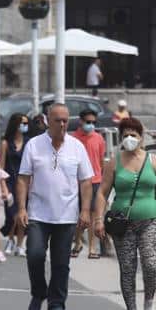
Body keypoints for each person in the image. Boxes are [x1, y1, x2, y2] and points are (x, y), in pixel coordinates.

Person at [15, 103, 94, 310]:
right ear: (47, 120)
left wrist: (85, 210)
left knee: (61, 263)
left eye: (65, 120)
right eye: (57, 120)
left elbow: (86, 181)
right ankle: (39, 291)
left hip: (66, 216)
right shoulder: (33, 145)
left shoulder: (77, 147)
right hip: (38, 213)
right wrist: (21, 208)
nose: (62, 124)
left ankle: (57, 304)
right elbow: (23, 178)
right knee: (35, 255)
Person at [94, 117, 156, 310]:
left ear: (141, 137)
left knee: (150, 265)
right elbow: (102, 193)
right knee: (127, 268)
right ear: (121, 138)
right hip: (122, 224)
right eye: (126, 135)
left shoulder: (153, 161)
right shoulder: (114, 162)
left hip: (150, 221)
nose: (129, 138)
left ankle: (149, 302)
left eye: (133, 135)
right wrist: (98, 219)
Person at [71, 109, 106, 259]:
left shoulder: (99, 138)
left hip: (95, 180)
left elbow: (100, 160)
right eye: (88, 122)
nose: (91, 125)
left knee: (93, 215)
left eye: (93, 122)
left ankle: (92, 248)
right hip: (77, 181)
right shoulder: (73, 138)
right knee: (79, 214)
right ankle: (77, 242)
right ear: (81, 121)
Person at [0, 113, 30, 256]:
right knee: (12, 214)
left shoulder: (29, 143)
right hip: (10, 182)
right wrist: (3, 187)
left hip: (25, 182)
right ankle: (11, 238)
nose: (25, 126)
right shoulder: (5, 143)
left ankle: (20, 244)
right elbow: (1, 167)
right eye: (22, 123)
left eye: (26, 124)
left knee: (22, 213)